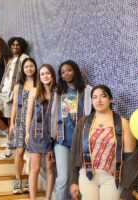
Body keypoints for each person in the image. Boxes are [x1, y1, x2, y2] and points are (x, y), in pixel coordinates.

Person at [70, 85, 138, 200]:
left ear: (110, 99)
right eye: (94, 97)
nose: (98, 100)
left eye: (103, 96)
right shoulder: (83, 123)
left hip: (112, 178)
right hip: (86, 176)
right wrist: (73, 181)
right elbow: (74, 153)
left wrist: (127, 189)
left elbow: (131, 159)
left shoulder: (123, 123)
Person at [50, 60, 92, 200]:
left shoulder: (87, 90)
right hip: (62, 141)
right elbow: (53, 115)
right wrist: (51, 140)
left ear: (75, 71)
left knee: (81, 178)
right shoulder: (58, 92)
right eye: (62, 72)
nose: (66, 74)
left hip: (81, 141)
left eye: (68, 70)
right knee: (63, 178)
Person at [0, 37, 29, 160]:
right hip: (2, 92)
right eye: (13, 45)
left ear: (22, 47)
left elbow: (26, 76)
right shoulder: (11, 60)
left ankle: (8, 152)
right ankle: (10, 138)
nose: (15, 47)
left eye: (18, 45)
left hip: (12, 94)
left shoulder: (25, 59)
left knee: (12, 122)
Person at [25, 64, 56, 200]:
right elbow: (29, 113)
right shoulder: (34, 91)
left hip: (52, 135)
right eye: (42, 74)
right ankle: (33, 198)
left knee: (50, 169)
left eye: (48, 73)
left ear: (52, 75)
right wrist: (27, 132)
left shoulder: (57, 92)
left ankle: (48, 198)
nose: (45, 76)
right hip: (35, 133)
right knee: (35, 168)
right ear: (39, 76)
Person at [9, 58, 37, 194]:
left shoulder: (39, 85)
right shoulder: (18, 86)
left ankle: (29, 181)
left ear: (35, 68)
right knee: (19, 151)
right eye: (26, 66)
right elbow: (14, 105)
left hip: (35, 123)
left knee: (33, 154)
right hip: (20, 121)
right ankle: (18, 181)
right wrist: (11, 124)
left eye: (31, 66)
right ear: (23, 69)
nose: (29, 69)